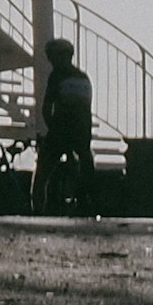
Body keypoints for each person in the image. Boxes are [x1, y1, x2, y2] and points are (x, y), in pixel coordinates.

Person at [42, 38, 96, 211]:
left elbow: (46, 108)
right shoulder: (84, 77)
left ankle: (37, 208)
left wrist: (51, 128)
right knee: (86, 166)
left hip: (60, 132)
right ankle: (86, 203)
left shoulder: (56, 76)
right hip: (82, 133)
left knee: (43, 171)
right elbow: (86, 111)